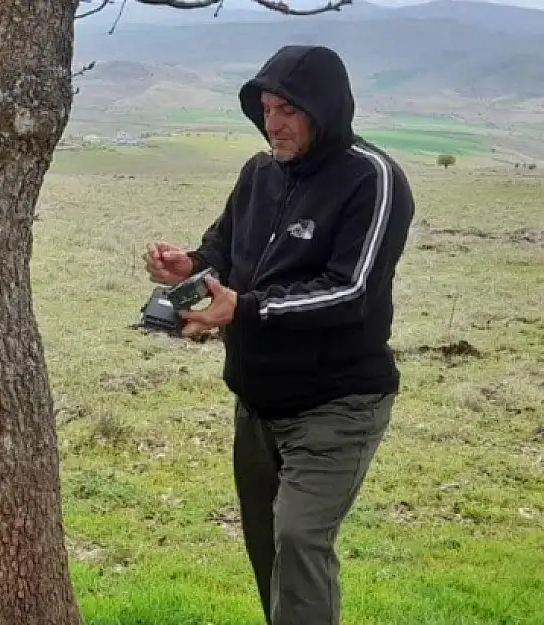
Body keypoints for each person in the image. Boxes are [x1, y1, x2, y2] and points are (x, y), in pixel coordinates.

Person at [144, 45, 414, 625]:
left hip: (337, 403)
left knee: (298, 539)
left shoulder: (372, 178)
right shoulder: (259, 172)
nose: (274, 123)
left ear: (325, 109)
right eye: (266, 108)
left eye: (288, 109)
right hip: (258, 403)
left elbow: (350, 290)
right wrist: (188, 267)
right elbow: (224, 249)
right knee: (268, 550)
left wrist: (245, 309)